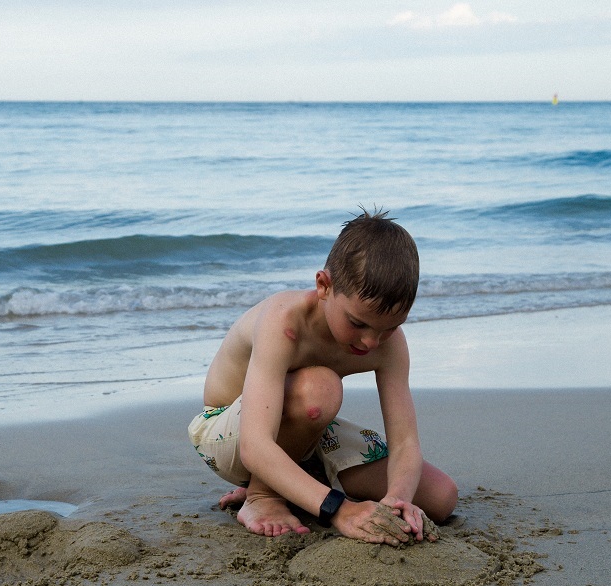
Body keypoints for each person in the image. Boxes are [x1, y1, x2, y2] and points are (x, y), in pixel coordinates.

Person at [188, 209, 458, 545]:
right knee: (320, 388)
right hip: (230, 433)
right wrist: (340, 510)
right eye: (358, 323)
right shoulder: (284, 323)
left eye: (389, 328)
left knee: (440, 497)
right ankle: (262, 496)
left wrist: (397, 499)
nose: (371, 341)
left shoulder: (389, 345)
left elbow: (405, 442)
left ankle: (297, 482)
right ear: (324, 286)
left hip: (307, 433)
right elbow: (255, 446)